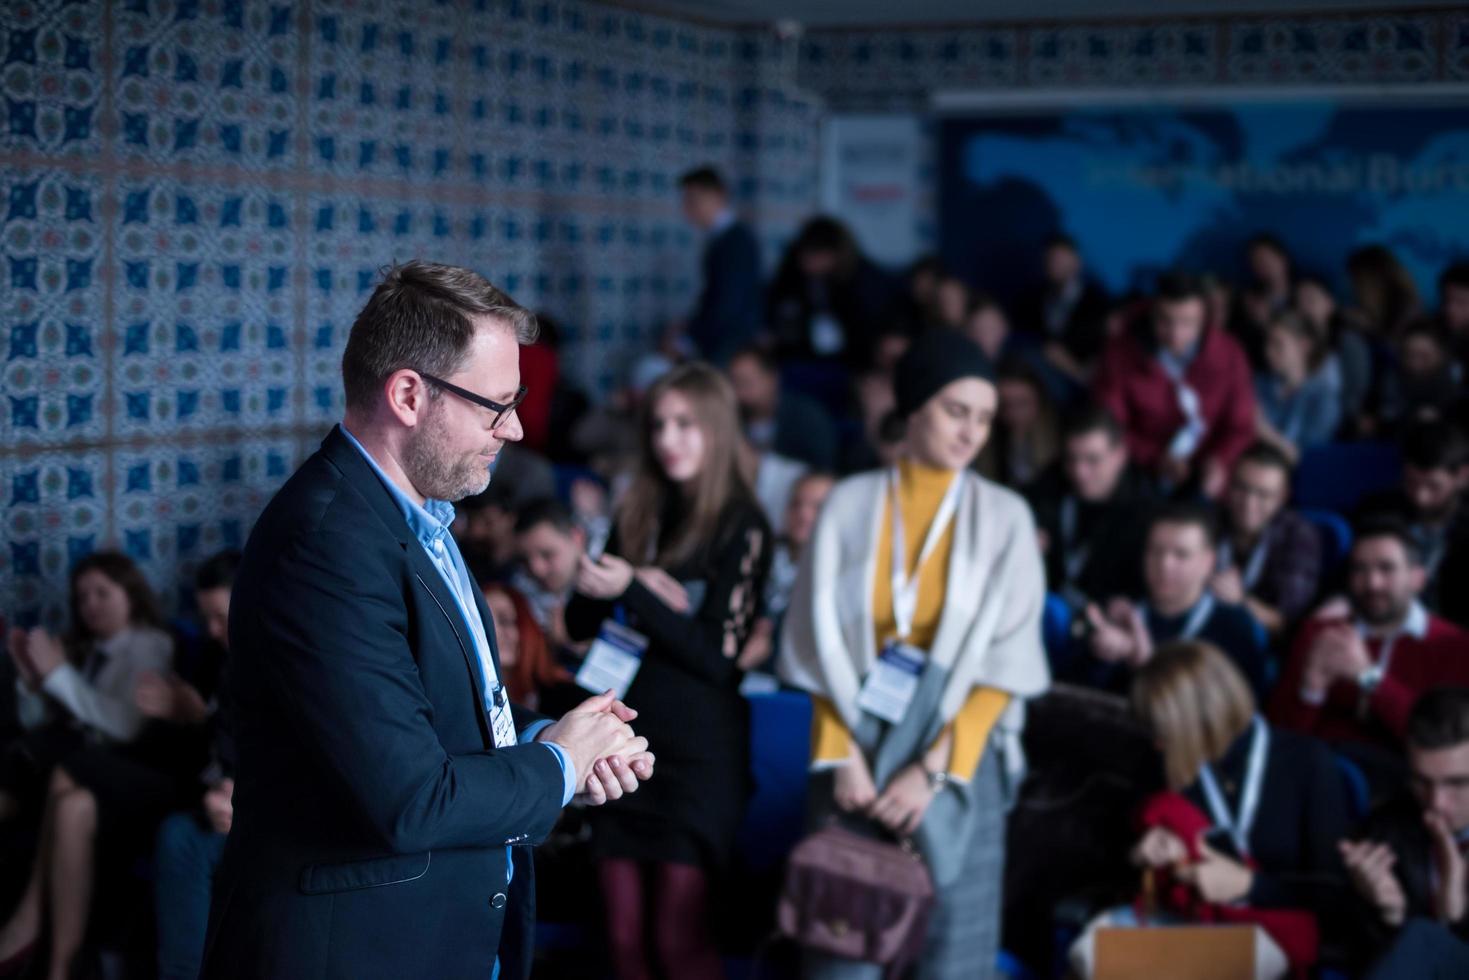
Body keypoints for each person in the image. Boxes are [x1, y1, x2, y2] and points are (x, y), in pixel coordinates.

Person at [201, 261, 653, 980]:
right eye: (494, 406)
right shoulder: (325, 544)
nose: (513, 429)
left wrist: (555, 737)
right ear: (409, 394)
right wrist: (558, 765)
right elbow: (409, 800)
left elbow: (432, 715)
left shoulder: (424, 519)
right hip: (351, 951)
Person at [780, 328, 1051, 979]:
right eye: (956, 410)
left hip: (956, 759)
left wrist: (933, 771)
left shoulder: (1005, 516)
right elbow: (815, 654)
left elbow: (1003, 672)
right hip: (852, 748)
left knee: (952, 957)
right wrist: (840, 756)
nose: (971, 432)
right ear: (914, 408)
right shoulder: (848, 504)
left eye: (983, 418)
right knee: (839, 954)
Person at [564, 362, 771, 980]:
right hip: (622, 742)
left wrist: (638, 587)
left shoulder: (742, 524)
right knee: (623, 944)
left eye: (685, 424)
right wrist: (605, 578)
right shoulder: (639, 511)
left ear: (716, 428)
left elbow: (717, 659)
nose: (667, 439)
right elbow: (579, 624)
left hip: (697, 761)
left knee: (680, 944)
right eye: (658, 425)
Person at [1114, 641, 1349, 978]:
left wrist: (1250, 886)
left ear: (1202, 721)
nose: (1158, 744)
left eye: (1165, 732)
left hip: (1275, 941)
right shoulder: (1164, 762)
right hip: (1192, 931)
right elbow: (1123, 856)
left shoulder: (1307, 764)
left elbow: (1334, 896)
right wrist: (1141, 855)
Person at [0, 552, 175, 980]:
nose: (90, 605)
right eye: (82, 597)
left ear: (129, 595)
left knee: (67, 769)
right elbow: (44, 722)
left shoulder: (151, 644)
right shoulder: (86, 649)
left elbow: (124, 727)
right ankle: (60, 966)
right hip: (80, 775)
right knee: (69, 798)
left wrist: (59, 674)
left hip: (129, 772)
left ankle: (28, 923)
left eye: (102, 593)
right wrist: (34, 680)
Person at [1270, 519, 1469, 787]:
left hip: (1408, 786)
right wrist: (1311, 689)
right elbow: (1281, 740)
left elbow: (1442, 745)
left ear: (1417, 578)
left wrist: (1370, 678)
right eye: (1360, 570)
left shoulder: (1452, 644)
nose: (1372, 583)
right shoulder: (1319, 633)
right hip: (1319, 777)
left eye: (1386, 569)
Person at [1068, 504, 1268, 699]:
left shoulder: (1236, 629)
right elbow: (1074, 694)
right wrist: (1101, 659)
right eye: (1155, 551)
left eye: (1181, 555)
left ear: (1208, 562)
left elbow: (1234, 712)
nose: (1164, 565)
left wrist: (1146, 667)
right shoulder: (1116, 614)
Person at [153, 550, 241, 980]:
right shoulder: (214, 658)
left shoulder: (291, 659)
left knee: (181, 839)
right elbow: (209, 756)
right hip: (221, 799)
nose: (212, 630)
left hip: (278, 814)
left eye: (222, 617)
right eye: (206, 618)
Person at [1341, 687, 1469, 975]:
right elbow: (1355, 956)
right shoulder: (1386, 828)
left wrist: (1456, 918)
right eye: (1422, 781)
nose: (1437, 802)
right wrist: (1390, 916)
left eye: (1458, 783)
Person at [1094, 271, 1256, 498]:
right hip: (1141, 469)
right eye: (1164, 321)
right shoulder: (1121, 352)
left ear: (1204, 319)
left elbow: (1240, 426)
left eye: (1187, 322)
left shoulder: (1230, 354)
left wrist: (1219, 461)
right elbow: (1111, 425)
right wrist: (1156, 458)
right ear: (1151, 313)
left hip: (1207, 469)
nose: (1175, 334)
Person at [1027, 403, 1156, 606]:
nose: (1080, 472)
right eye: (1072, 459)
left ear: (1119, 456)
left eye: (1093, 460)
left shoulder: (1147, 512)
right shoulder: (1046, 488)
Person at [1211, 443, 1324, 639]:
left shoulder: (1299, 537)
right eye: (1241, 488)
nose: (1249, 503)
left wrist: (1240, 601)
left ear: (1282, 497)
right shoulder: (1208, 520)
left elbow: (1284, 623)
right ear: (1229, 485)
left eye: (1263, 494)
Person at [1357, 420, 1469, 614]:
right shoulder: (1375, 511)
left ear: (1463, 476)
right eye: (1411, 482)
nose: (1420, 497)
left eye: (1434, 486)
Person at [739, 470, 836, 673]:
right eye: (796, 504)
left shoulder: (839, 578)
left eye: (818, 507)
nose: (804, 513)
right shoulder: (755, 554)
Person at [765, 215, 895, 364]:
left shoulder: (865, 282)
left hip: (855, 361)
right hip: (801, 359)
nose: (808, 263)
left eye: (816, 256)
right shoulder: (791, 276)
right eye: (805, 255)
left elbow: (870, 331)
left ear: (834, 254)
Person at [669, 166, 761, 365]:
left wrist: (690, 336)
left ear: (718, 196)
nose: (688, 210)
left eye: (694, 200)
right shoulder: (723, 239)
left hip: (729, 343)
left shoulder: (736, 241)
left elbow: (728, 302)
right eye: (686, 201)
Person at [1015, 232, 1110, 383]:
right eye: (1050, 259)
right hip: (1044, 373)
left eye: (1060, 259)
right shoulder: (1034, 299)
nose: (1054, 264)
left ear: (1076, 262)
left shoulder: (1098, 301)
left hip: (1085, 376)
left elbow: (1102, 342)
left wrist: (1073, 368)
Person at [727, 345, 839, 470]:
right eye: (735, 383)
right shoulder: (730, 417)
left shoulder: (807, 417)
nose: (739, 392)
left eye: (747, 382)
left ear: (773, 378)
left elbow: (824, 467)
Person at [1254, 310, 1342, 461]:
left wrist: (1264, 432)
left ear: (1303, 346)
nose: (1268, 352)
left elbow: (1307, 460)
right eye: (1267, 342)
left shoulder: (1323, 397)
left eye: (1278, 344)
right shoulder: (1258, 383)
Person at [1294, 273, 1374, 434]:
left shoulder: (1349, 343)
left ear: (1330, 304)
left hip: (1339, 426)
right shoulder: (1292, 343)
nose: (1304, 307)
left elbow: (1355, 394)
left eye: (1311, 299)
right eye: (1298, 301)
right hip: (1298, 422)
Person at [481, 583, 575, 714]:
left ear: (526, 628)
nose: (494, 632)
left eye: (506, 620)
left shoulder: (560, 696)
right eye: (482, 623)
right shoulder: (469, 695)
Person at [512, 497, 588, 650]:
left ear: (577, 538)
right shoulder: (516, 598)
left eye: (548, 554)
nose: (536, 569)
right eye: (525, 560)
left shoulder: (615, 588)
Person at [975, 358, 1060, 491]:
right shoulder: (987, 439)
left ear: (1040, 400)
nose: (1013, 414)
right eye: (1004, 405)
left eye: (1022, 403)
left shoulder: (1059, 435)